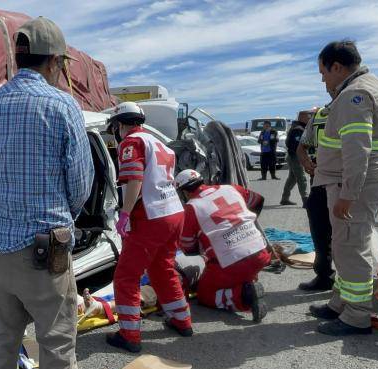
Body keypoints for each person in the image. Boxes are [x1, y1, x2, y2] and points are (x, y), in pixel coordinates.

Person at [0, 17, 93, 369]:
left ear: (17, 58)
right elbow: (80, 186)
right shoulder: (61, 106)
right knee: (57, 350)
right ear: (56, 61)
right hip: (44, 255)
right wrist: (59, 218)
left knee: (0, 348)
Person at [308, 40, 378, 336]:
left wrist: (348, 194)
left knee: (352, 246)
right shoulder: (370, 85)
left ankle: (357, 316)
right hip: (361, 178)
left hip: (357, 181)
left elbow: (357, 149)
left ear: (337, 66)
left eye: (323, 72)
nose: (323, 79)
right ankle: (340, 302)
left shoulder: (353, 94)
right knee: (346, 246)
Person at [107, 101, 193, 353]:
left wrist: (124, 214)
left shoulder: (131, 143)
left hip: (150, 217)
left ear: (120, 124)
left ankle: (130, 335)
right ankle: (182, 320)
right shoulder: (159, 143)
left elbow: (134, 180)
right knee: (162, 268)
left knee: (126, 276)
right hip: (174, 213)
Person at [175, 169, 271, 321]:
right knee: (237, 273)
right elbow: (258, 200)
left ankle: (243, 296)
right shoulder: (231, 188)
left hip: (231, 263)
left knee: (205, 294)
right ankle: (247, 282)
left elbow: (188, 247)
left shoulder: (191, 208)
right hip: (260, 252)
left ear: (184, 192)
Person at [296, 104, 336, 291]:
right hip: (318, 182)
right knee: (320, 233)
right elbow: (301, 147)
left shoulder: (353, 110)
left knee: (348, 237)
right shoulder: (318, 117)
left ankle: (350, 281)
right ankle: (324, 276)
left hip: (345, 183)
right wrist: (306, 163)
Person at [280, 111, 312, 205]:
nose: (310, 119)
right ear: (302, 117)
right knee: (301, 178)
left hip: (293, 156)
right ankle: (305, 200)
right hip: (295, 157)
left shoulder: (298, 127)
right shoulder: (298, 129)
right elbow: (295, 145)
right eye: (308, 117)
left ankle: (285, 198)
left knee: (292, 178)